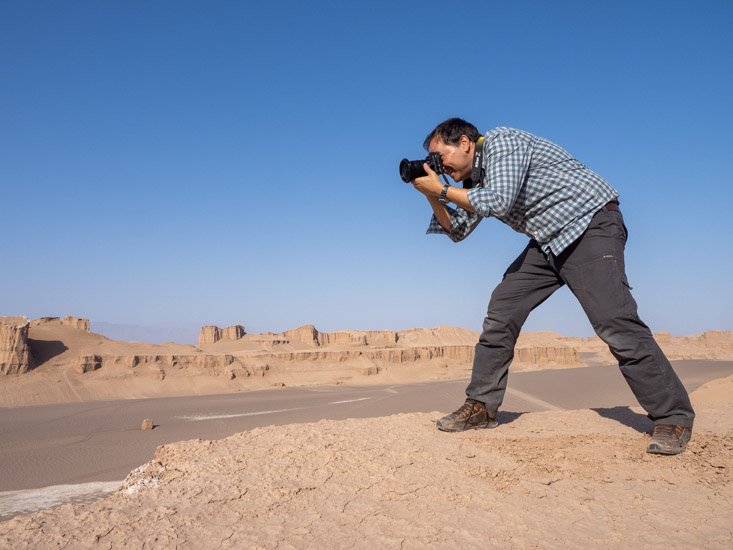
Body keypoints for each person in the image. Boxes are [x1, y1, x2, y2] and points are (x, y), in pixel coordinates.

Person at [409, 118, 695, 455]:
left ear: (464, 142)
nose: (438, 166)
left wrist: (441, 190)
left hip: (588, 225)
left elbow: (497, 202)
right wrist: (431, 195)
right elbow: (456, 230)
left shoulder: (502, 142)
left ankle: (673, 417)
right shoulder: (476, 180)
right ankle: (481, 407)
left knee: (614, 321)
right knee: (502, 309)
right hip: (548, 240)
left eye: (440, 156)